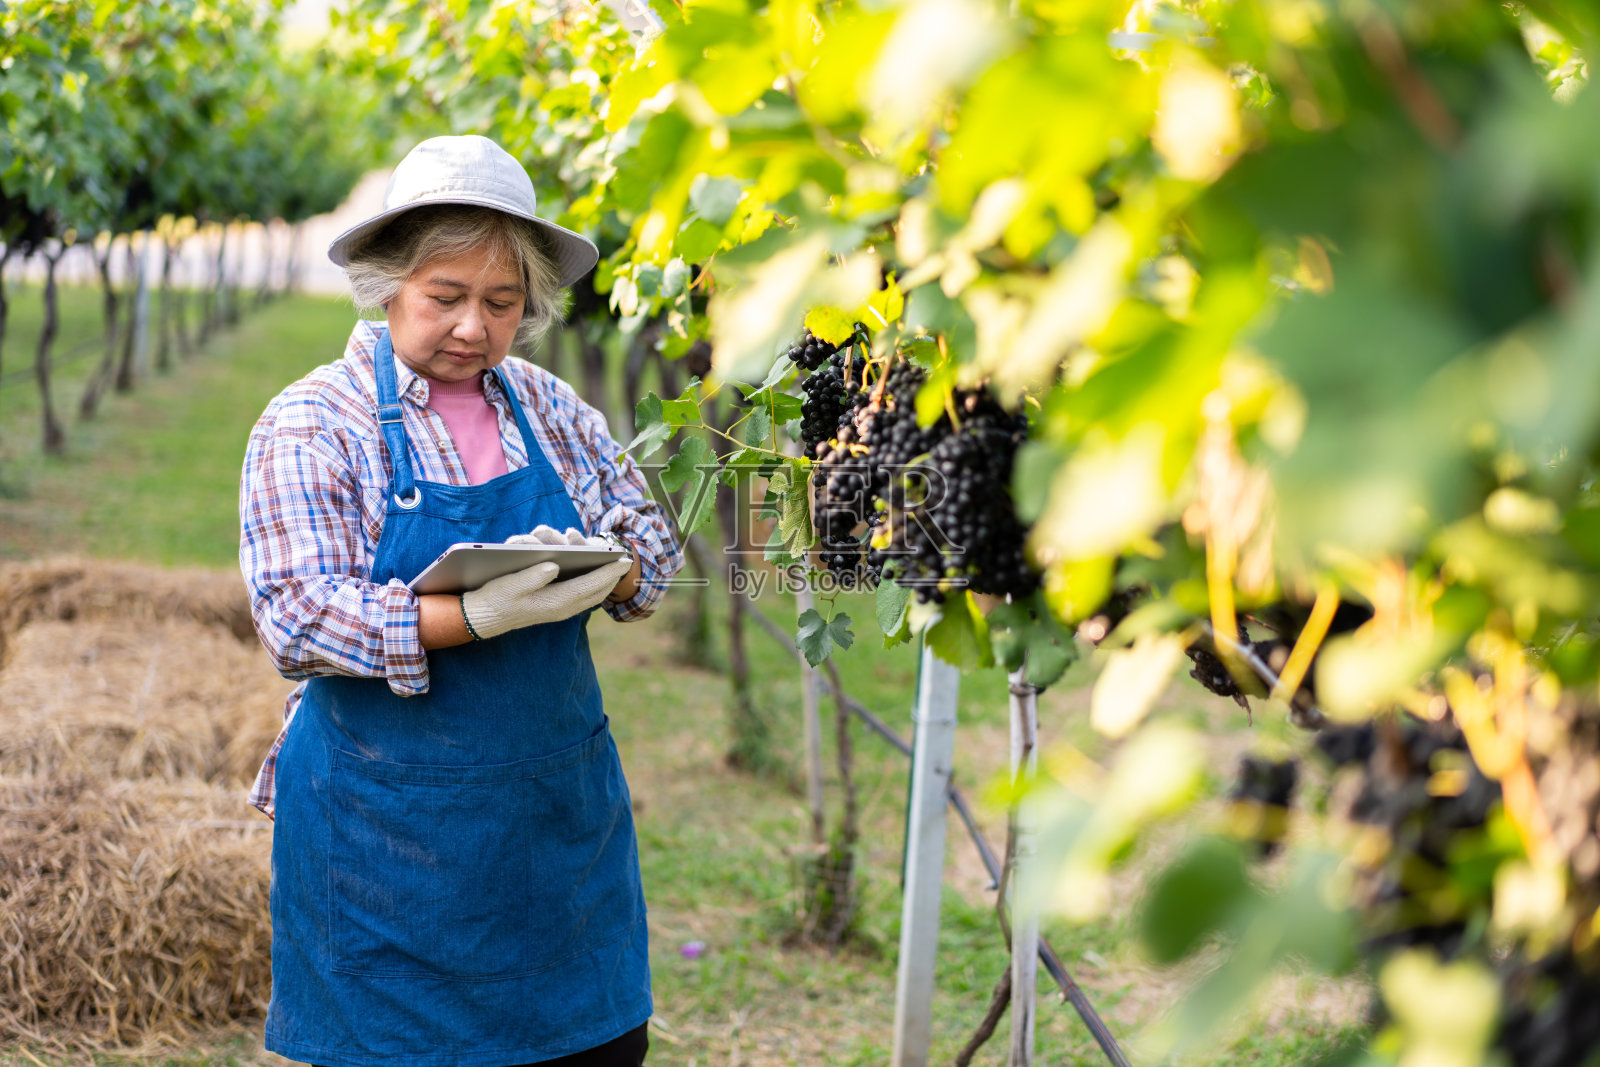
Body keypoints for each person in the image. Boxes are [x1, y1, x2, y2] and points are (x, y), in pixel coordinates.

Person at [238, 134, 683, 1067]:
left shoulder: (549, 408)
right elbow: (296, 613)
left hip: (554, 829)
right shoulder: (316, 420)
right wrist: (469, 617)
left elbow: (653, 545)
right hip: (387, 849)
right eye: (447, 297)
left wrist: (610, 568)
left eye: (503, 302)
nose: (475, 328)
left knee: (591, 1047)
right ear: (388, 283)